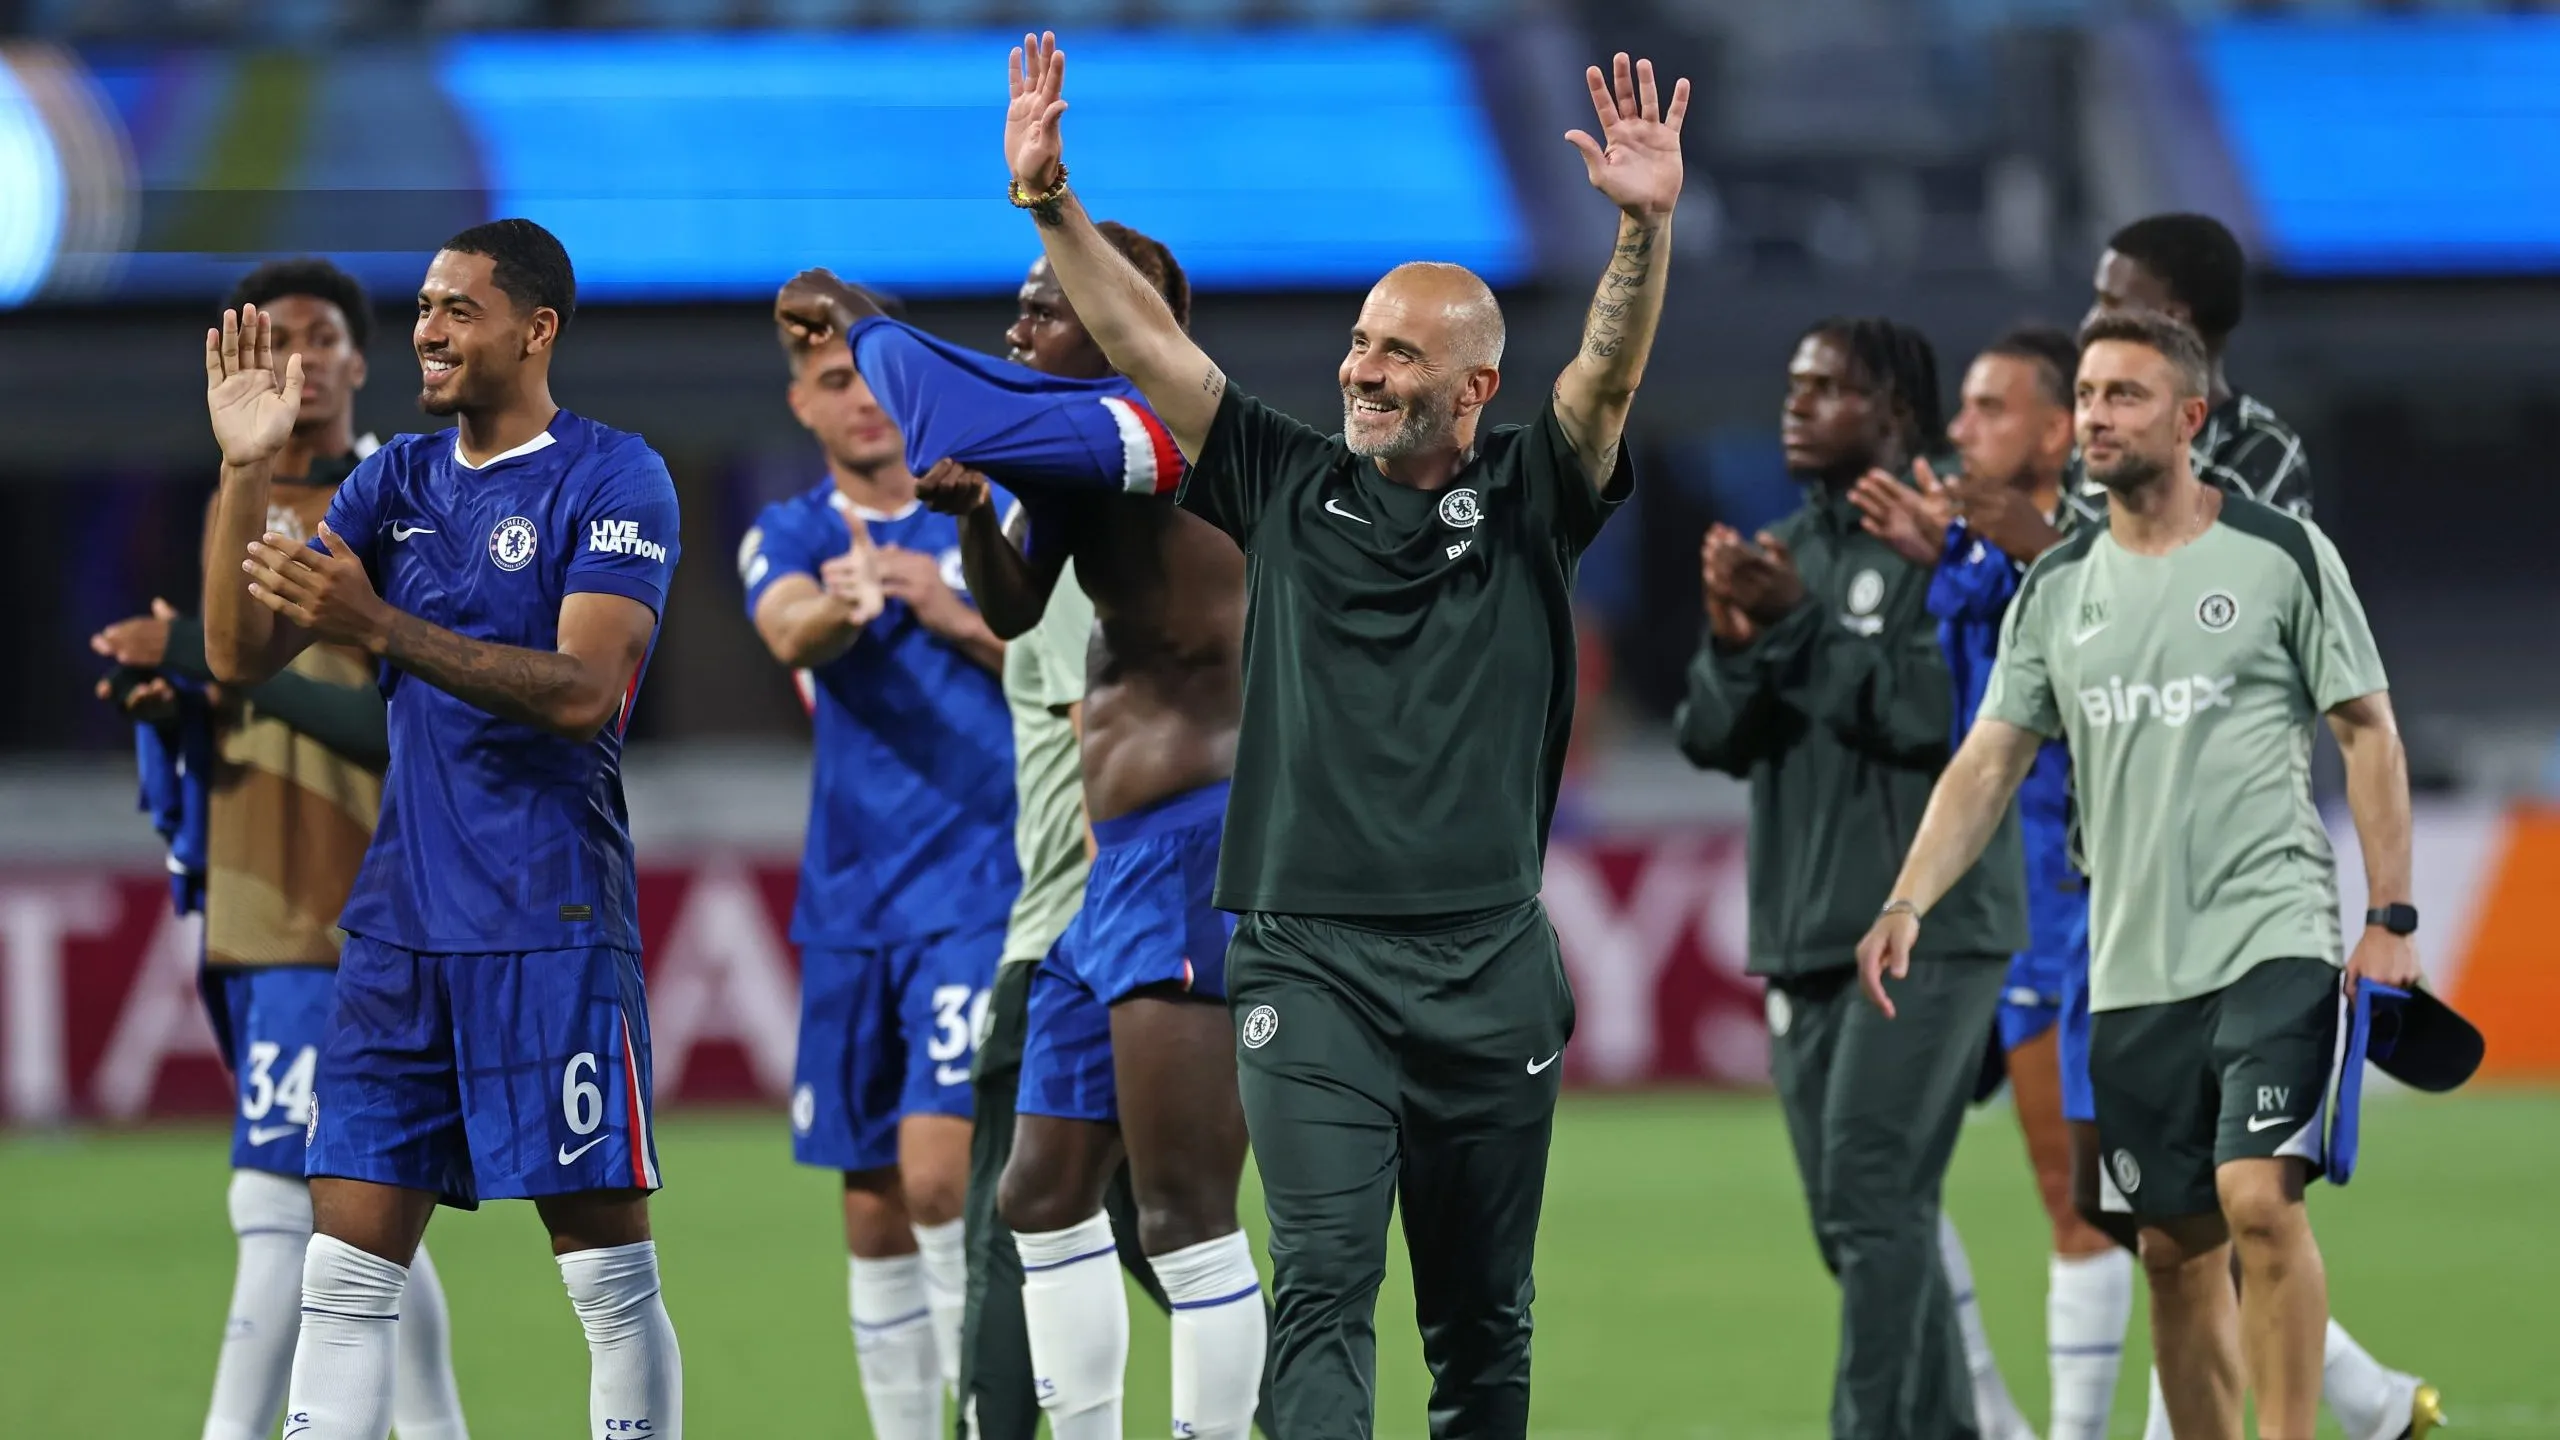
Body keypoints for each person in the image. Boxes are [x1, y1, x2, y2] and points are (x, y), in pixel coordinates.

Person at [979, 33, 1680, 1440]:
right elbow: (1149, 346)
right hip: (1307, 962)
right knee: (1318, 1286)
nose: (1361, 369)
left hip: (1487, 967)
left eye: (1398, 353)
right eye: (1359, 341)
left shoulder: (1533, 493)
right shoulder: (1281, 481)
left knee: (1480, 1324)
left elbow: (1602, 383)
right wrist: (1049, 200)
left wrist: (1642, 230)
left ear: (1473, 389)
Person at [1858, 309, 2421, 1440]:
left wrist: (2390, 915)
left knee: (2257, 1199)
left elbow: (2366, 730)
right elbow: (1988, 760)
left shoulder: (2279, 554)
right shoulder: (2058, 588)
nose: (2098, 416)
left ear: (2190, 417)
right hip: (2129, 965)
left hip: (2273, 936)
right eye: (2088, 395)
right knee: (2169, 1247)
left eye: (2126, 394)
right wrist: (1908, 896)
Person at [200, 219, 685, 1440]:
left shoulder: (614, 476)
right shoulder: (393, 482)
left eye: (458, 308)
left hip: (549, 921)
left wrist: (381, 627)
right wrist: (246, 473)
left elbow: (582, 692)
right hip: (398, 929)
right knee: (343, 1277)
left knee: (607, 1278)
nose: (427, 328)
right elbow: (237, 655)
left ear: (536, 330)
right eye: (422, 306)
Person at [90, 258, 470, 1440]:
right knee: (363, 1208)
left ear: (360, 362)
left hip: (358, 903)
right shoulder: (237, 500)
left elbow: (411, 723)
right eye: (273, 338)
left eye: (319, 336)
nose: (296, 358)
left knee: (274, 1199)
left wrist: (198, 655)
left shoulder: (406, 502)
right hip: (254, 888)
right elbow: (236, 695)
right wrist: (175, 705)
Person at [1678, 316, 2028, 1440]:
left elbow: (1939, 716)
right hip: (1803, 932)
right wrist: (1738, 643)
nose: (1796, 403)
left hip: (1930, 927)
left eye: (1826, 387)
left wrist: (1798, 629)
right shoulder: (1784, 549)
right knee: (1858, 1224)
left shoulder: (1952, 546)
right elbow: (1708, 736)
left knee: (1875, 1198)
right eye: (1794, 384)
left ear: (1894, 413)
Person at [740, 300, 1015, 1440]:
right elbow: (787, 629)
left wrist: (949, 613)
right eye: (829, 382)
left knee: (944, 1180)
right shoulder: (789, 532)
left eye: (868, 376)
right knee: (873, 1210)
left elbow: (1072, 659)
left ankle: (986, 1422)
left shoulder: (992, 512)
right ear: (799, 405)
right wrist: (842, 610)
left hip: (979, 886)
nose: (856, 400)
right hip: (852, 904)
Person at [1851, 325, 2132, 1440]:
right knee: (1877, 1171)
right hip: (1976, 901)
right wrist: (1955, 558)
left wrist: (2044, 548)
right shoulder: (1974, 549)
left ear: (2058, 432)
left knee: (2106, 1199)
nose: (1959, 428)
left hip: (2070, 908)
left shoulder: (2116, 541)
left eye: (1990, 408)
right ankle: (1994, 1419)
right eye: (1961, 406)